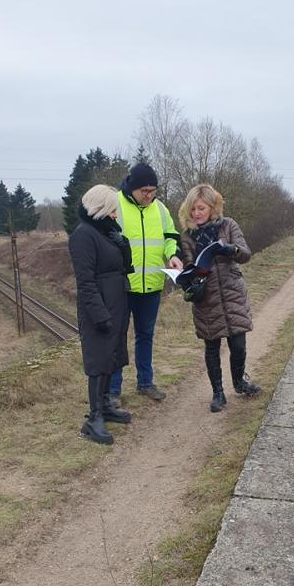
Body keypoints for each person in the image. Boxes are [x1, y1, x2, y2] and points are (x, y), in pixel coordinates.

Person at [178, 183, 261, 412]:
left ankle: (239, 382)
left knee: (238, 345)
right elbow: (187, 267)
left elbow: (246, 254)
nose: (196, 213)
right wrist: (188, 280)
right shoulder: (187, 237)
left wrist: (231, 249)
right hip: (206, 298)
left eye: (201, 208)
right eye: (193, 209)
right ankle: (218, 393)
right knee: (212, 347)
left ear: (212, 207)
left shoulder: (228, 225)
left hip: (232, 293)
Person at [109, 163, 183, 403]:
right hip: (122, 286)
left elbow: (171, 237)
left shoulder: (160, 209)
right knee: (117, 337)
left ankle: (145, 383)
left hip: (151, 285)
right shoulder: (114, 204)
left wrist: (173, 255)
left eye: (152, 191)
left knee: (145, 335)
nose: (149, 195)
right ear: (132, 187)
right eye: (144, 191)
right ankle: (113, 390)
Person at [68, 185, 133, 445]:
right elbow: (85, 282)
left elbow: (124, 267)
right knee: (98, 360)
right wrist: (100, 315)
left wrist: (124, 246)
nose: (115, 214)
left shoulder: (106, 232)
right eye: (112, 209)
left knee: (112, 357)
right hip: (100, 308)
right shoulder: (83, 235)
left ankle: (105, 406)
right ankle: (93, 418)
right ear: (100, 209)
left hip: (117, 303)